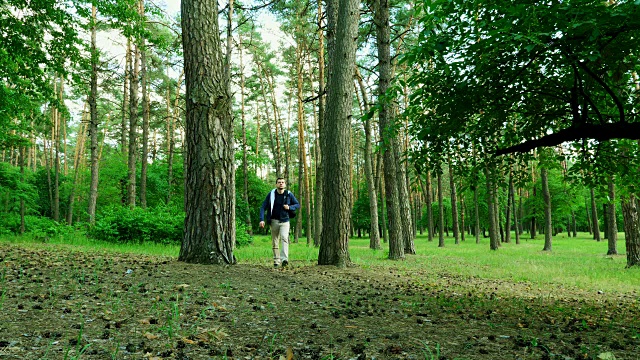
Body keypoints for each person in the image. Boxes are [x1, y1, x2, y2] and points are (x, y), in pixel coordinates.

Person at [259, 178, 300, 268]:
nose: (281, 184)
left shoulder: (289, 194)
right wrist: (261, 219)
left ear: (285, 184)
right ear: (276, 184)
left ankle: (284, 259)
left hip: (285, 221)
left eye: (282, 182)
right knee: (275, 241)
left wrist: (289, 207)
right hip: (274, 221)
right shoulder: (271, 194)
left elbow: (297, 204)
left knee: (285, 238)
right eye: (279, 182)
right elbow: (263, 207)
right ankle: (276, 261)